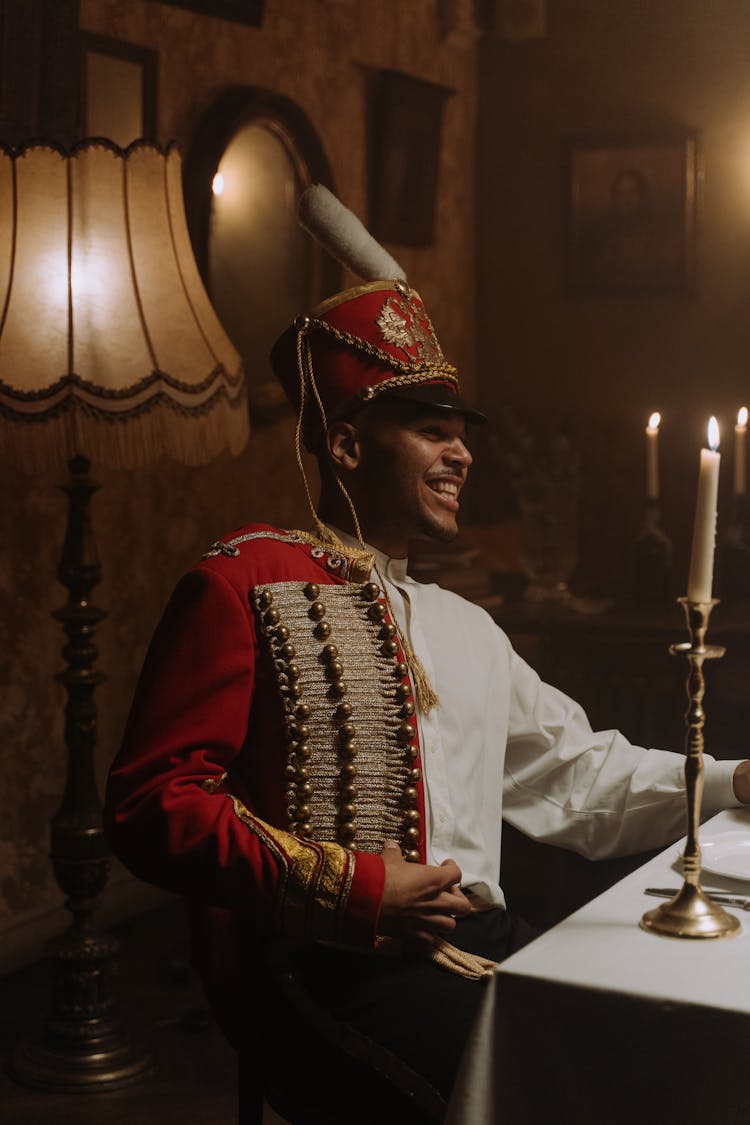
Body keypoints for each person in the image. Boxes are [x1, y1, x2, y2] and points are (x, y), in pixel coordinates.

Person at [104, 189, 750, 1124]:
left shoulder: (467, 624)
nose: (462, 455)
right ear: (346, 442)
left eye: (462, 433)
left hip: (485, 940)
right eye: (432, 430)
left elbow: (580, 775)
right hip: (326, 970)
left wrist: (732, 780)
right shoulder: (244, 580)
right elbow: (149, 803)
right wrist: (357, 889)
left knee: (654, 1055)